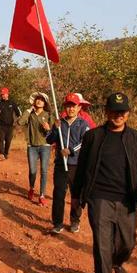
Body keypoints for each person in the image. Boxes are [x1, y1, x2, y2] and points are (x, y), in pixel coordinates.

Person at [72, 92, 137, 273]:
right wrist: (76, 196)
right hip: (99, 199)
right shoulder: (93, 137)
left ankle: (117, 262)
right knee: (102, 244)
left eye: (122, 112)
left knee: (127, 242)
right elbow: (81, 169)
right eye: (114, 111)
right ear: (106, 112)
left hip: (127, 200)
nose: (118, 115)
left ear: (127, 113)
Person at [46, 93, 89, 234]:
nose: (71, 109)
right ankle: (57, 223)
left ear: (79, 108)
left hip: (76, 165)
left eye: (74, 106)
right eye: (68, 106)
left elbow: (85, 142)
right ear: (65, 107)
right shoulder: (60, 123)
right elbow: (49, 139)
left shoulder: (83, 124)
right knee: (58, 194)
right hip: (60, 164)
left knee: (76, 195)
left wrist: (70, 150)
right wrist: (54, 128)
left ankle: (75, 220)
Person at [17, 92, 54, 206]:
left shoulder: (48, 115)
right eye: (37, 99)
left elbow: (54, 133)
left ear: (45, 103)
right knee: (33, 170)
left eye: (41, 100)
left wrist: (48, 129)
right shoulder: (30, 114)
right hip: (32, 146)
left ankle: (42, 195)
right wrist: (28, 110)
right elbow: (20, 122)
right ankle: (32, 188)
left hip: (45, 146)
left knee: (44, 171)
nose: (39, 101)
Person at [0, 87, 21, 160]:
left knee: (8, 141)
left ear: (7, 94)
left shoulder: (12, 103)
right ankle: (1, 154)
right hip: (0, 125)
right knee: (1, 139)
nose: (3, 96)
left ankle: (6, 153)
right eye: (2, 95)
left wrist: (18, 121)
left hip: (10, 126)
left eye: (4, 94)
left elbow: (18, 113)